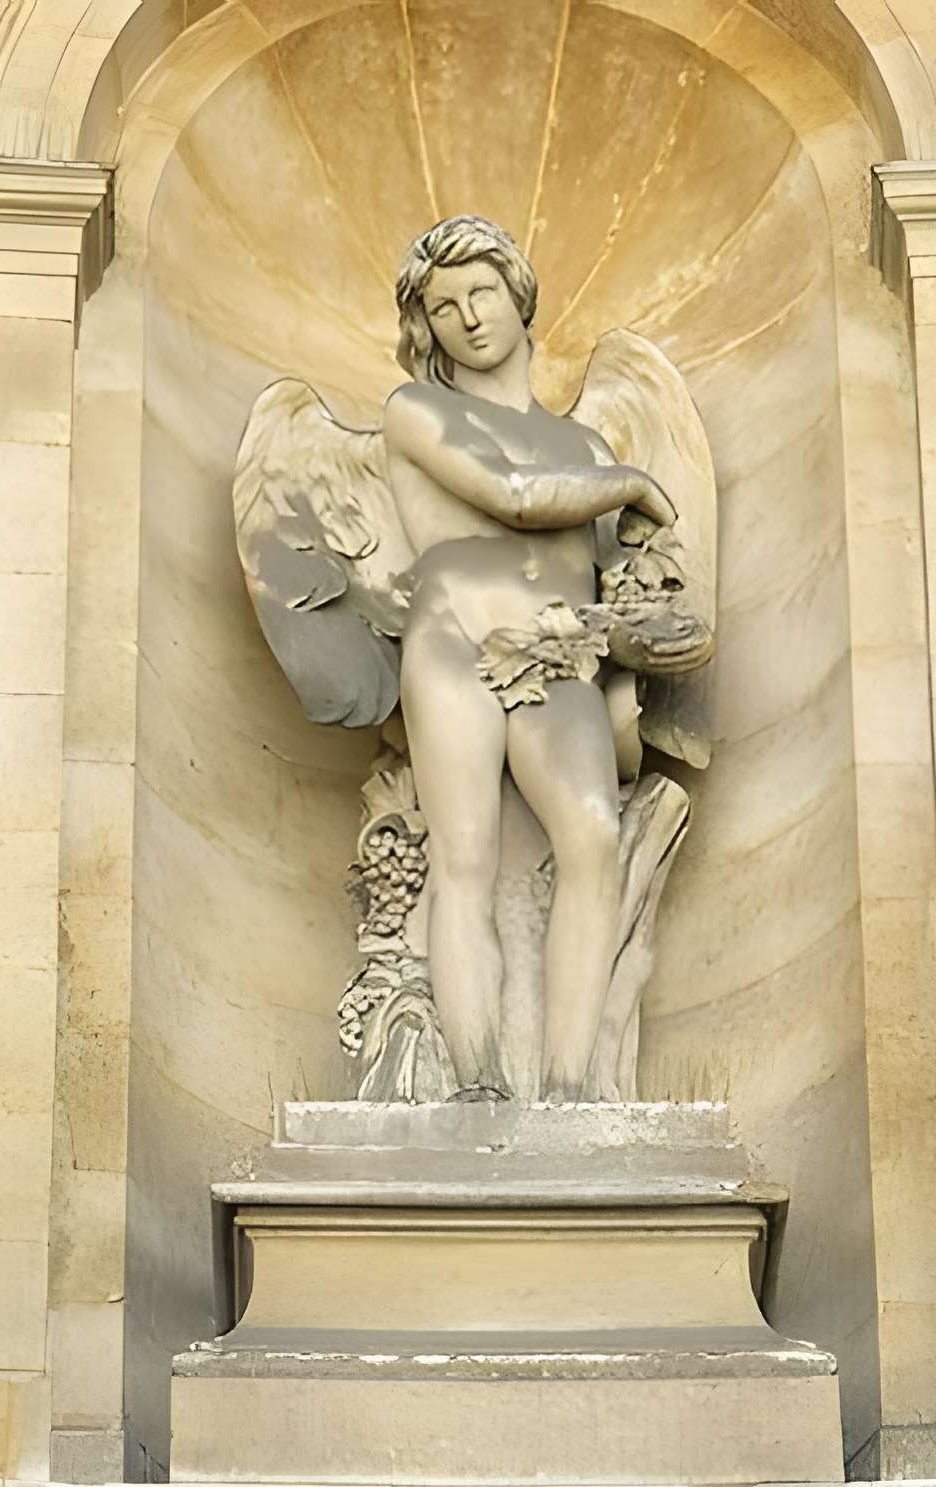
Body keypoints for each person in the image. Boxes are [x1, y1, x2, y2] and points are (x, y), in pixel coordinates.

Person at [384, 216, 691, 1100]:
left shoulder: (584, 448)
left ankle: (567, 1088)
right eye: (443, 307)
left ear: (519, 299)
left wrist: (653, 622)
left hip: (557, 653)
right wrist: (637, 486)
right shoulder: (417, 410)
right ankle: (477, 1083)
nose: (467, 317)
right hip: (453, 637)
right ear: (425, 328)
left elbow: (616, 593)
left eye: (481, 293)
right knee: (465, 854)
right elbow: (514, 499)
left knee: (595, 836)